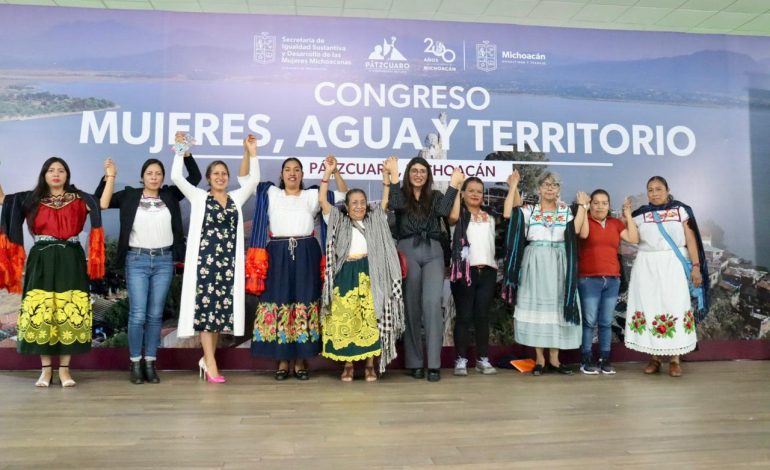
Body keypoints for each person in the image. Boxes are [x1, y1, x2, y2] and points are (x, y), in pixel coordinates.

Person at [94, 132, 201, 384]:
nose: (154, 177)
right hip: (137, 260)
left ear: (163, 178)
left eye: (158, 174)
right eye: (149, 173)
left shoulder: (170, 196)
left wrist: (185, 152)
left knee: (155, 315)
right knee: (138, 314)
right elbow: (103, 202)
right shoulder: (130, 195)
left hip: (164, 261)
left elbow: (194, 178)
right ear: (142, 176)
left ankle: (150, 362)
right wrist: (109, 176)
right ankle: (134, 363)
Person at [0, 157, 115, 387]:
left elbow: (102, 204)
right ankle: (45, 371)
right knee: (43, 311)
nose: (56, 174)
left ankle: (64, 370)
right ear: (44, 174)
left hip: (70, 258)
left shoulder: (79, 198)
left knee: (69, 310)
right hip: (41, 259)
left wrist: (111, 176)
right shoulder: (31, 199)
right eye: (51, 170)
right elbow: (4, 200)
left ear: (67, 175)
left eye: (61, 170)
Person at [249, 156, 347, 381]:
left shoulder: (312, 195)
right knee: (280, 300)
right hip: (276, 253)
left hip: (306, 252)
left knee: (304, 300)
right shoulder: (271, 194)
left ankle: (301, 360)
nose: (292, 173)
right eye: (287, 170)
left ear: (302, 175)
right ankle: (282, 360)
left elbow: (343, 194)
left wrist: (334, 172)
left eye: (296, 170)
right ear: (282, 175)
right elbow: (246, 178)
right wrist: (250, 152)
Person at [173, 134, 260, 383]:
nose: (221, 177)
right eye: (216, 174)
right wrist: (181, 148)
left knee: (219, 316)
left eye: (224, 174)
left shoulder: (234, 199)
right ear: (209, 178)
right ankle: (210, 361)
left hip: (228, 267)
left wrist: (251, 152)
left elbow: (253, 180)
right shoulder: (199, 197)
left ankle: (207, 360)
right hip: (204, 265)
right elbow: (177, 177)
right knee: (205, 315)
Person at [319, 157, 405, 381]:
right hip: (345, 274)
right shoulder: (338, 220)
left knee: (370, 318)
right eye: (354, 202)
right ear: (346, 208)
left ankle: (369, 365)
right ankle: (347, 365)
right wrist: (327, 174)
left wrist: (386, 178)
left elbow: (385, 201)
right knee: (346, 318)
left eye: (362, 202)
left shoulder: (374, 219)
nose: (359, 206)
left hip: (371, 273)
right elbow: (323, 201)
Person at [502, 171, 590, 376]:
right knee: (537, 307)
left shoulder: (566, 212)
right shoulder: (529, 211)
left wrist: (584, 208)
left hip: (559, 262)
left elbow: (577, 231)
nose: (550, 188)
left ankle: (555, 359)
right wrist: (513, 186)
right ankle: (540, 359)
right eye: (546, 184)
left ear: (559, 189)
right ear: (539, 188)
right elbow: (508, 213)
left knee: (557, 309)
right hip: (535, 262)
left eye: (554, 185)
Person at [384, 156, 463, 382]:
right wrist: (394, 174)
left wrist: (453, 184)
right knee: (411, 305)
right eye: (414, 171)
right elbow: (395, 204)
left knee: (431, 303)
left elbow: (447, 212)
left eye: (423, 171)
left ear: (428, 176)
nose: (418, 175)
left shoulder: (435, 196)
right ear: (408, 174)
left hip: (433, 250)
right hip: (407, 248)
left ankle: (434, 364)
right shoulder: (401, 194)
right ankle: (415, 362)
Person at [624, 176, 708, 377]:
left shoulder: (681, 211)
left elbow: (690, 239)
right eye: (650, 190)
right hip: (646, 267)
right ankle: (654, 357)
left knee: (674, 306)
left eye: (658, 189)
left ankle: (674, 358)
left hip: (673, 265)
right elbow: (633, 238)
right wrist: (626, 214)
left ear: (668, 190)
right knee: (650, 307)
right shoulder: (639, 215)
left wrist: (696, 267)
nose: (654, 193)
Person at [577, 190, 639, 375]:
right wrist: (584, 208)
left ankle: (604, 359)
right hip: (589, 279)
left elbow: (634, 239)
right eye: (596, 202)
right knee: (589, 322)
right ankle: (586, 360)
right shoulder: (584, 219)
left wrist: (628, 215)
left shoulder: (616, 223)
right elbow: (582, 234)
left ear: (609, 205)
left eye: (604, 203)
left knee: (605, 322)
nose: (600, 206)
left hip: (612, 279)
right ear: (591, 204)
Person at [447, 176, 498, 376]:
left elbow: (513, 210)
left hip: (487, 271)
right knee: (464, 316)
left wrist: (512, 187)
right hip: (464, 271)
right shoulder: (458, 215)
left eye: (479, 191)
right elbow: (451, 217)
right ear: (463, 194)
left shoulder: (491, 216)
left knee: (482, 317)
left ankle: (483, 359)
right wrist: (456, 187)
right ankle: (460, 359)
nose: (475, 194)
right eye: (471, 190)